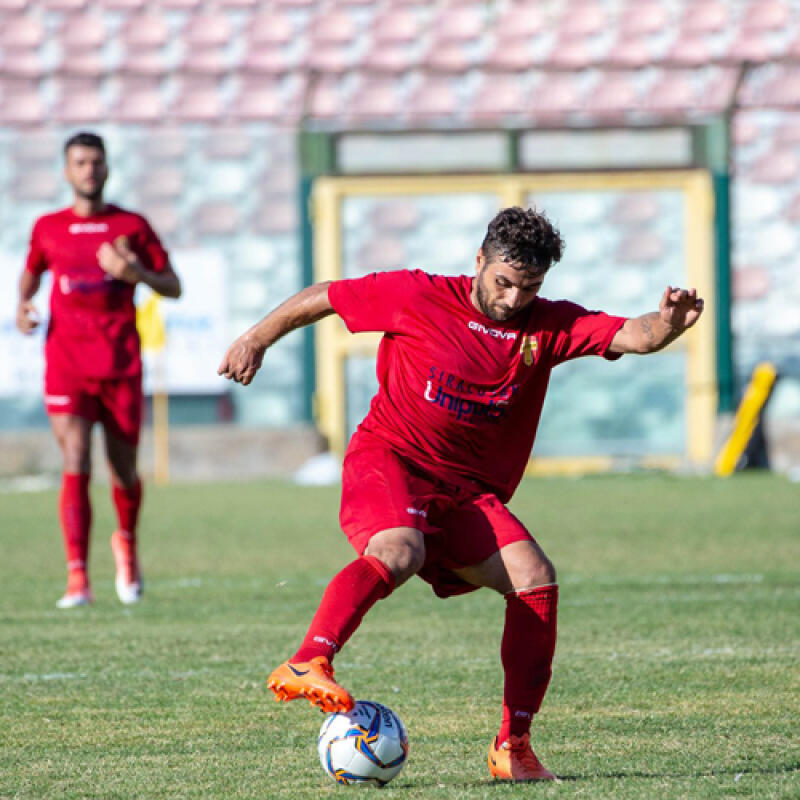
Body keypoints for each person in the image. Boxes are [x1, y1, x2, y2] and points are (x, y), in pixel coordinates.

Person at [218, 207, 704, 782]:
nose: (513, 299)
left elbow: (635, 334)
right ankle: (308, 659)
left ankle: (513, 748)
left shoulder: (546, 325)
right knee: (401, 552)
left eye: (530, 287)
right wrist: (256, 339)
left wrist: (670, 322)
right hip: (391, 459)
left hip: (468, 492)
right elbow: (325, 295)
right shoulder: (416, 296)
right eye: (503, 282)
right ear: (479, 261)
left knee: (534, 576)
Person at [18, 131, 182, 609]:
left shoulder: (131, 225)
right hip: (67, 363)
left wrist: (138, 276)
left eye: (96, 162)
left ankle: (126, 542)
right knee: (75, 459)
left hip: (120, 364)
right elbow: (32, 270)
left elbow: (173, 286)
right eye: (80, 162)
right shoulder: (48, 226)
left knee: (123, 468)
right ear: (67, 171)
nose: (89, 170)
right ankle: (77, 577)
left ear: (108, 169)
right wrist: (23, 304)